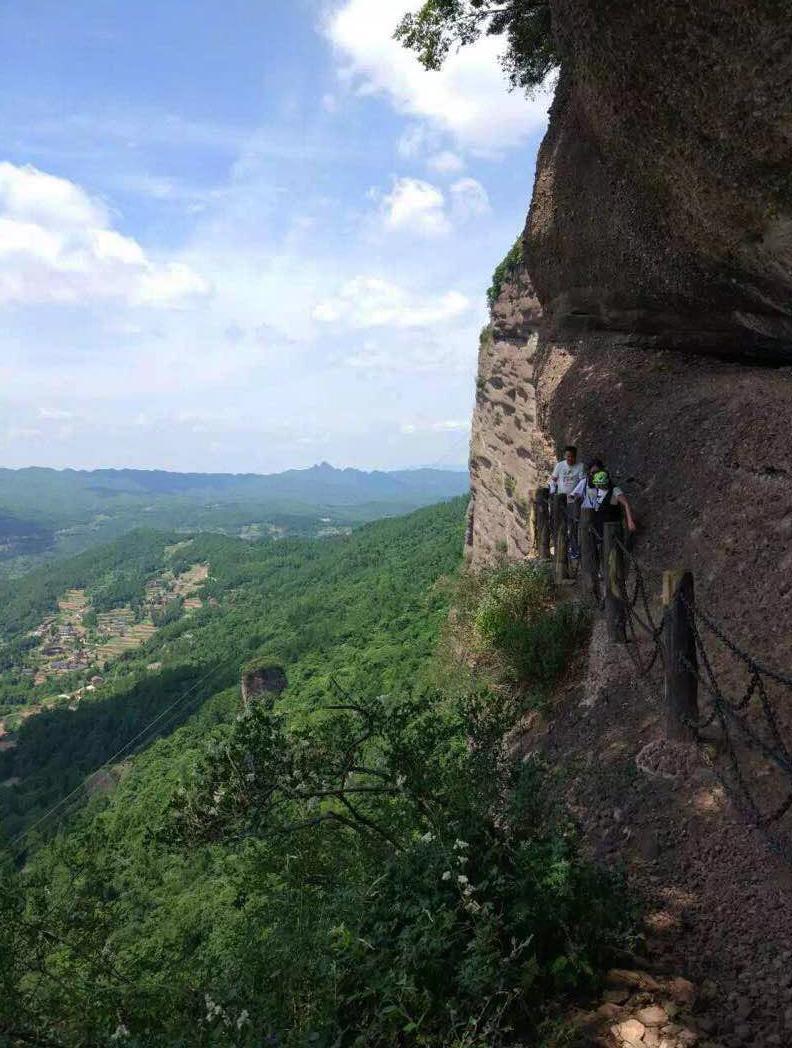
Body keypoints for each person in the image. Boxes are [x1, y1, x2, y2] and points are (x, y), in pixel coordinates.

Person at [570, 467, 637, 535]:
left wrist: (630, 521)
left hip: (610, 523)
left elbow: (625, 504)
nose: (599, 486)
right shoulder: (598, 490)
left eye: (601, 484)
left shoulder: (614, 490)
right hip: (599, 521)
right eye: (598, 484)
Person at [548, 445, 586, 560]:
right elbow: (553, 480)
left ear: (575, 456)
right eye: (568, 456)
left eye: (572, 457)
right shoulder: (560, 465)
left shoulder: (580, 466)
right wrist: (552, 491)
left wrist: (575, 494)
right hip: (560, 500)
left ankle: (574, 550)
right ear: (565, 456)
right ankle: (561, 548)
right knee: (559, 525)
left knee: (573, 526)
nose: (570, 459)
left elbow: (582, 482)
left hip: (573, 501)